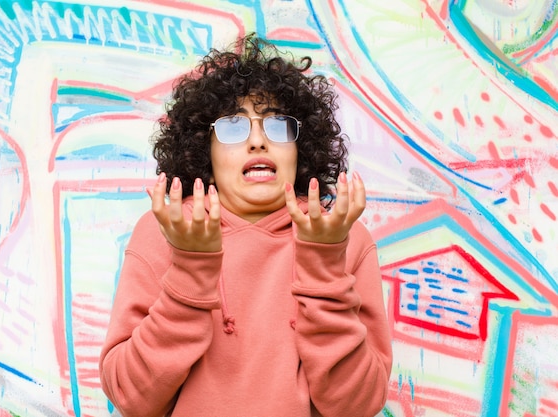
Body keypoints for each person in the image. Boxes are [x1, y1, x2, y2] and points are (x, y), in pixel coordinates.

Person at [99, 33, 392, 417]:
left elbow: (359, 405)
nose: (257, 141)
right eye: (234, 127)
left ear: (300, 148)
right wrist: (190, 272)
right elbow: (132, 398)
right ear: (205, 148)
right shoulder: (166, 230)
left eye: (278, 126)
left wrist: (323, 265)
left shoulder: (342, 237)